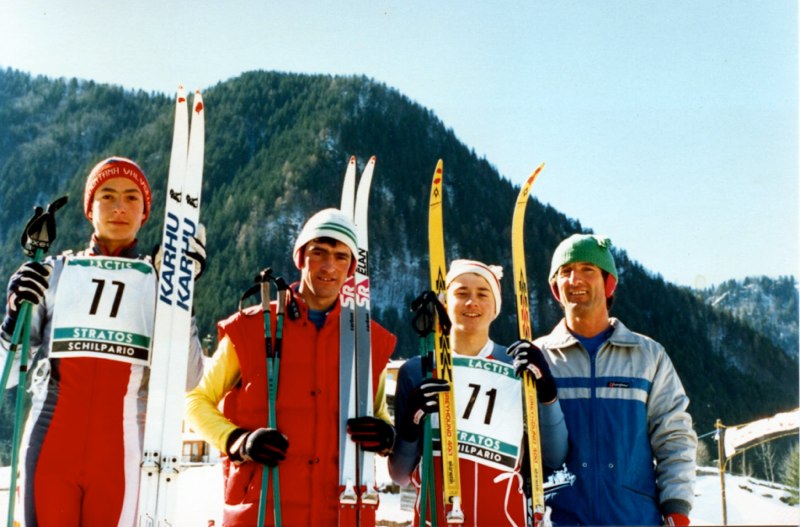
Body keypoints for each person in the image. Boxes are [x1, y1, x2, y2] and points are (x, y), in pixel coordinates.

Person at [0, 156, 205, 527]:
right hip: (50, 448)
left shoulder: (156, 282)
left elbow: (188, 379)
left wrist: (181, 296)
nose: (119, 208)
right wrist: (13, 317)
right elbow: (6, 373)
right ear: (89, 208)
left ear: (145, 213)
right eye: (107, 196)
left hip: (121, 456)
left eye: (131, 198)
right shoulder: (53, 272)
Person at [185, 208, 397, 526]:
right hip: (261, 510)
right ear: (300, 258)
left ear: (351, 268)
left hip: (338, 511)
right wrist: (237, 440)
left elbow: (376, 411)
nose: (329, 266)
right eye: (319, 253)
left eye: (341, 257)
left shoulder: (368, 340)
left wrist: (386, 435)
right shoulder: (252, 328)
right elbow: (195, 400)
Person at [512, 233, 697, 526]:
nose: (575, 280)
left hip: (635, 518)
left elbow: (674, 436)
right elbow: (521, 445)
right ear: (556, 288)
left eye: (588, 269)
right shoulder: (538, 359)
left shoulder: (647, 355)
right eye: (566, 272)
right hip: (561, 519)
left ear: (608, 283)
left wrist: (676, 508)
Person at [389, 259, 568, 527]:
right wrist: (409, 428)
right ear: (445, 303)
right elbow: (400, 475)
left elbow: (555, 456)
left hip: (504, 518)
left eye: (483, 294)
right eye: (461, 293)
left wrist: (547, 395)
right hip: (434, 519)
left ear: (495, 307)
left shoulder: (518, 369)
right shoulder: (418, 370)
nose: (472, 302)